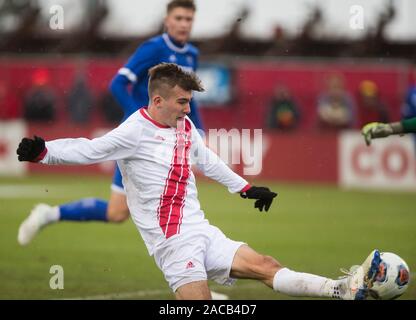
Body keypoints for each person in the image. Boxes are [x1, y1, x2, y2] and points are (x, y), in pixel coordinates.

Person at [17, 63, 381, 300]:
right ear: (158, 100)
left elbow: (208, 160)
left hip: (202, 232)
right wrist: (43, 151)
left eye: (190, 101)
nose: (189, 109)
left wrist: (246, 188)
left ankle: (341, 290)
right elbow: (90, 149)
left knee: (266, 266)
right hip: (174, 245)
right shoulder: (133, 132)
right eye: (182, 102)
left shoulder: (185, 127)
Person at [17, 0, 203, 245]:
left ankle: (50, 213)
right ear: (167, 21)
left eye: (188, 19)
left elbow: (189, 99)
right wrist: (141, 115)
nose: (183, 24)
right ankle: (190, 265)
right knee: (140, 203)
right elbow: (118, 83)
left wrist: (199, 129)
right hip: (139, 136)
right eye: (178, 18)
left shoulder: (191, 54)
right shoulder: (153, 49)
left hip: (164, 135)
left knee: (118, 212)